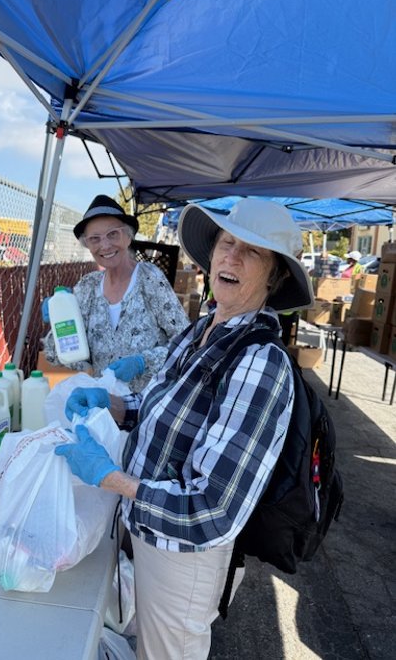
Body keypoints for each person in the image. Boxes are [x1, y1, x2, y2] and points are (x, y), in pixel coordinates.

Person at [55, 199, 315, 659]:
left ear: (274, 278)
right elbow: (166, 411)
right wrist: (114, 404)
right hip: (149, 528)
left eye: (252, 252)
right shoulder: (202, 330)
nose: (231, 257)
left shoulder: (259, 361)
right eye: (226, 243)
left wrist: (110, 478)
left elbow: (212, 508)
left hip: (183, 552)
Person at [42, 195, 189, 392]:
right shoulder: (87, 287)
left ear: (128, 237)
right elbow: (59, 355)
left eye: (113, 234)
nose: (105, 245)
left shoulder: (149, 278)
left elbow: (187, 342)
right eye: (95, 239)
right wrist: (58, 322)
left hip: (147, 403)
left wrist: (143, 362)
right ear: (88, 245)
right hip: (104, 403)